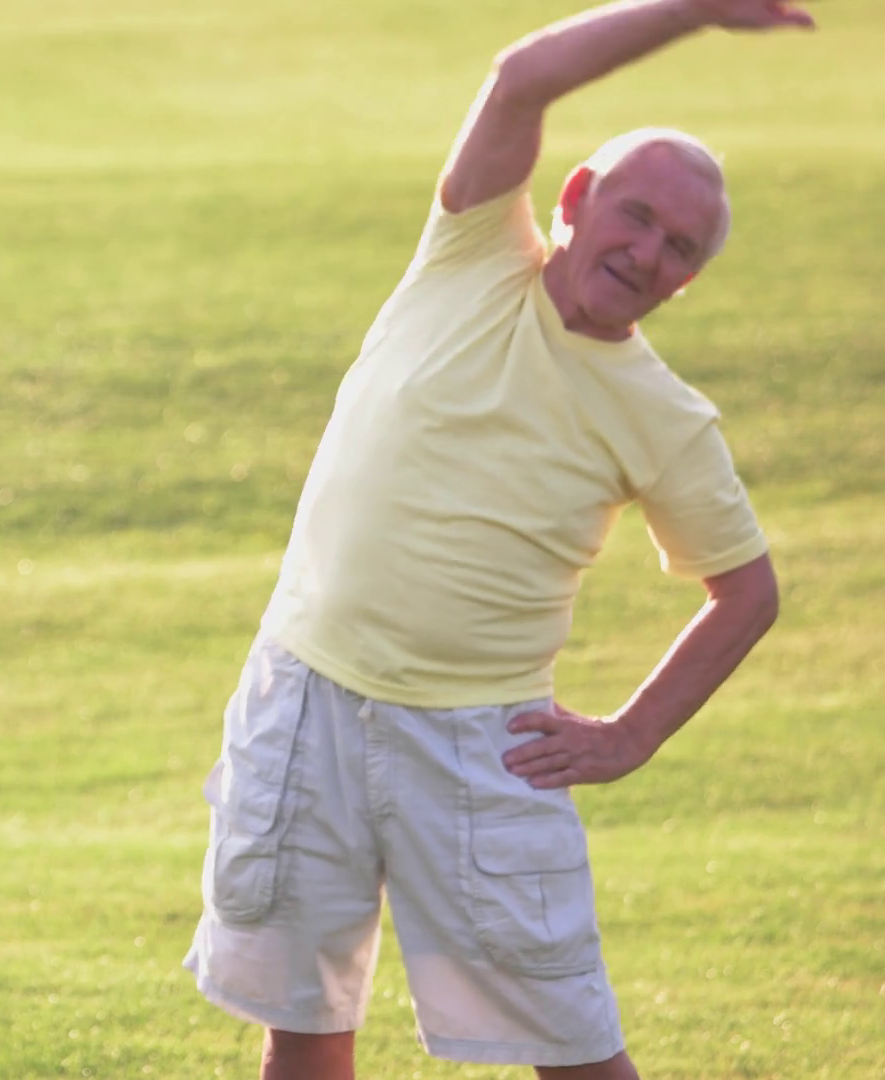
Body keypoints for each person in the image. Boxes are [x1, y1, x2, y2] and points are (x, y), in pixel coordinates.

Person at [183, 1, 810, 1076]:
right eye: (636, 215)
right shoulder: (473, 250)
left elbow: (746, 593)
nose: (647, 250)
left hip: (480, 749)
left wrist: (629, 736)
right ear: (576, 198)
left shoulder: (665, 418)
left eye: (679, 247)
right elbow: (523, 76)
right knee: (306, 1022)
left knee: (571, 1046)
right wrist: (695, 8)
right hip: (306, 700)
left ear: (687, 281)